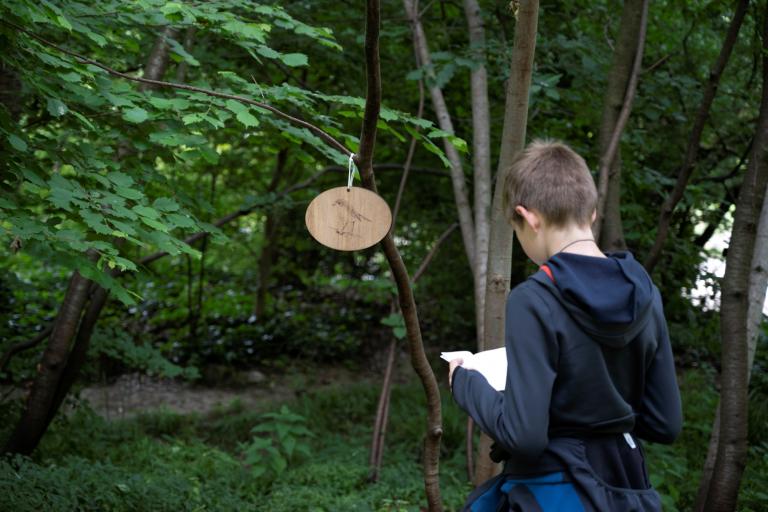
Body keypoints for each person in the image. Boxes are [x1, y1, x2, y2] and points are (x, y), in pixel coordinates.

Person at [449, 140, 682, 511]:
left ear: (528, 218)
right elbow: (664, 423)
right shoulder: (646, 293)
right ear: (592, 213)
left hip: (556, 489)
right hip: (625, 487)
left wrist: (464, 382)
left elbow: (525, 437)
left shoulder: (535, 299)